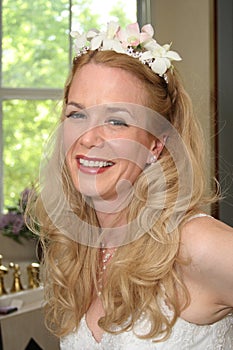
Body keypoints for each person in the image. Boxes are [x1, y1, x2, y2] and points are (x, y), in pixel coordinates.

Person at [28, 21, 233, 349]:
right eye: (77, 115)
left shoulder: (191, 245)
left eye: (116, 121)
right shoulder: (79, 251)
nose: (88, 138)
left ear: (155, 144)